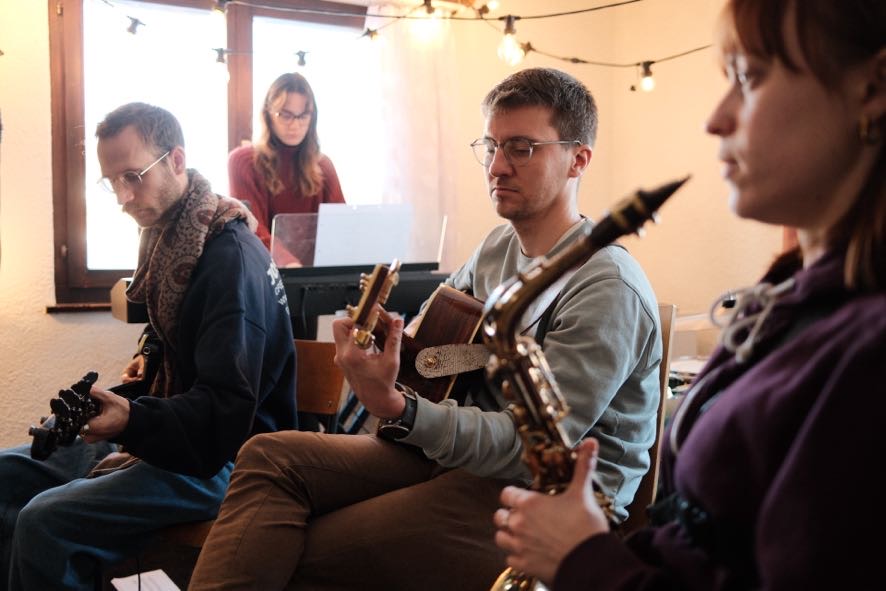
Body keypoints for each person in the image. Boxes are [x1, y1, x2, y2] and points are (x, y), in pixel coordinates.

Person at [189, 67, 663, 590]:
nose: (497, 166)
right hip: (458, 460)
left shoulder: (607, 286)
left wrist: (401, 409)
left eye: (522, 148)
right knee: (268, 457)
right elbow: (429, 351)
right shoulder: (497, 248)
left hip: (547, 499)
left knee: (295, 546)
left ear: (579, 159)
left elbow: (526, 445)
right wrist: (384, 357)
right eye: (491, 146)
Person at [493, 1, 886, 589]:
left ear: (873, 90)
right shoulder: (789, 297)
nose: (715, 120)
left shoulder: (870, 351)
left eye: (749, 78)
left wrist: (586, 559)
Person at [0, 102, 298, 590]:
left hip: (231, 460)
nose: (123, 196)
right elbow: (171, 330)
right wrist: (149, 357)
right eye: (111, 182)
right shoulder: (176, 236)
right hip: (179, 434)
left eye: (133, 176)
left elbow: (224, 413)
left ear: (176, 160)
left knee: (43, 522)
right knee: (6, 474)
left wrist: (131, 421)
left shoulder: (228, 260)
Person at [228, 72, 345, 253]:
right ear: (268, 115)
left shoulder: (323, 165)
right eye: (285, 115)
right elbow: (251, 227)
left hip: (316, 267)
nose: (295, 125)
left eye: (303, 116)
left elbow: (341, 227)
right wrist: (287, 262)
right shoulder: (243, 162)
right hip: (265, 266)